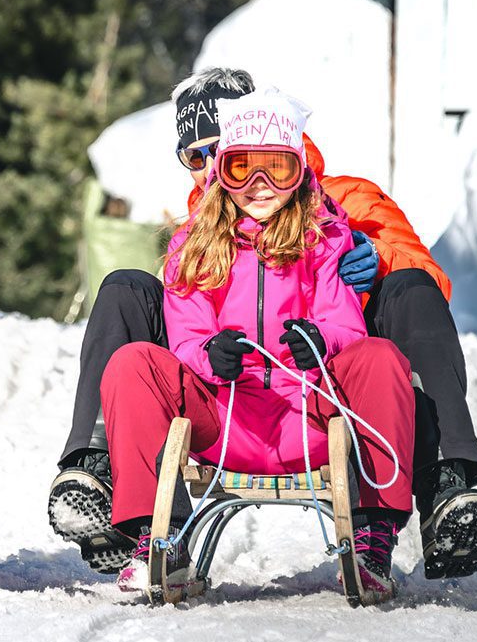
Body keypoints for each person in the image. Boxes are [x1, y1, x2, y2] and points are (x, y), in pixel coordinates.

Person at [50, 67, 477, 581]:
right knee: (125, 289)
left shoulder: (343, 202)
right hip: (229, 396)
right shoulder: (198, 231)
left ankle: (446, 483)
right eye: (194, 157)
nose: (208, 168)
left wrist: (376, 258)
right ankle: (105, 483)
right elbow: (185, 318)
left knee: (410, 292)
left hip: (329, 380)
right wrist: (203, 350)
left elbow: (429, 284)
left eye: (221, 150)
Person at [98, 89, 415, 601]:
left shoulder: (325, 238)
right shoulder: (194, 246)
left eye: (278, 170)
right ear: (222, 172)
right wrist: (211, 356)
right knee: (134, 362)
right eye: (243, 168)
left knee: (379, 358)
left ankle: (373, 535)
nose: (260, 186)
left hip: (308, 415)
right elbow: (185, 336)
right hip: (225, 421)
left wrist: (322, 342)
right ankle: (155, 536)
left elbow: (348, 328)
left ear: (299, 170)